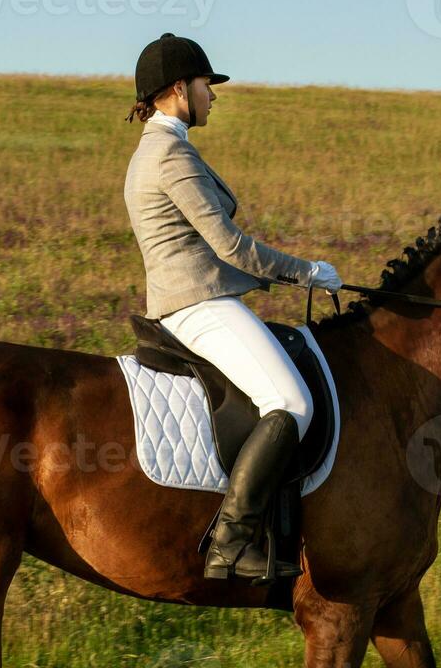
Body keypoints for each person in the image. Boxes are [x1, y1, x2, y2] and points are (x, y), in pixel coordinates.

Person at [123, 33, 343, 583]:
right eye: (205, 85)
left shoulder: (157, 149)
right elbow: (231, 247)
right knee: (291, 402)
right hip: (196, 303)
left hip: (195, 297)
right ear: (179, 89)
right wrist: (306, 271)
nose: (213, 96)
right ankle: (230, 542)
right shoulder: (170, 155)